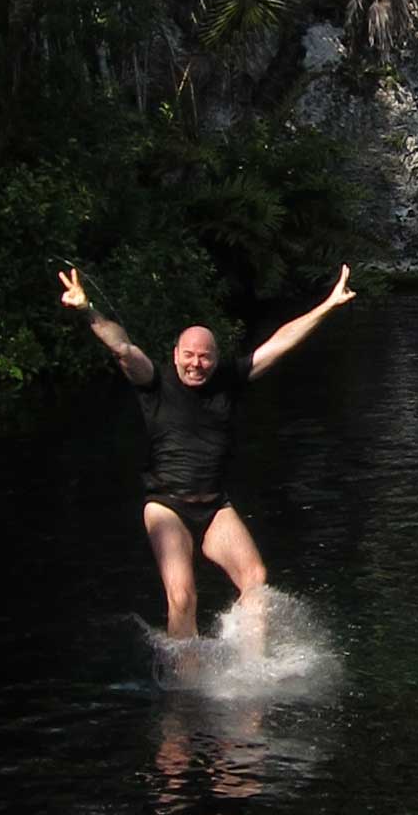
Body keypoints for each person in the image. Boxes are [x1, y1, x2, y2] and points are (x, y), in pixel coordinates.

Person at [55, 263, 359, 640]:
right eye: (189, 355)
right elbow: (122, 347)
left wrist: (327, 306)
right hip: (166, 505)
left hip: (215, 505)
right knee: (182, 597)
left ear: (215, 358)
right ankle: (184, 674)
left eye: (205, 357)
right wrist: (87, 310)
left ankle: (251, 666)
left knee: (255, 579)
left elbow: (281, 342)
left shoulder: (229, 380)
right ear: (175, 355)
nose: (196, 364)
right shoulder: (154, 382)